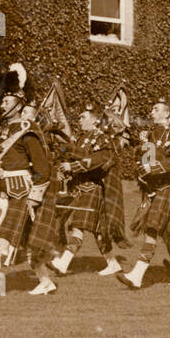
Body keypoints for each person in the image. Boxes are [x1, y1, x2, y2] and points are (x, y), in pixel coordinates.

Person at [0, 63, 58, 297]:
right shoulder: (6, 131)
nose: (2, 105)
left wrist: (35, 198)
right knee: (25, 244)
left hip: (23, 193)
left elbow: (42, 168)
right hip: (8, 193)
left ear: (19, 103)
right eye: (2, 101)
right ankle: (46, 282)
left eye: (6, 102)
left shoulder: (27, 130)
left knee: (5, 237)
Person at [119, 98, 170, 290]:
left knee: (152, 229)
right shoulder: (151, 135)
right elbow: (145, 161)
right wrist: (142, 167)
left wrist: (154, 168)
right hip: (153, 190)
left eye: (156, 109)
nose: (152, 112)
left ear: (167, 114)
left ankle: (137, 275)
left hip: (166, 189)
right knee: (169, 235)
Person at [49, 103, 127, 277]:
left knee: (78, 226)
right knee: (98, 230)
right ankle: (113, 263)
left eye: (83, 117)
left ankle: (63, 264)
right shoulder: (82, 138)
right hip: (80, 188)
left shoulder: (103, 139)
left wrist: (73, 166)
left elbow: (99, 160)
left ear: (95, 121)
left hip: (93, 187)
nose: (79, 120)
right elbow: (73, 152)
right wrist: (63, 168)